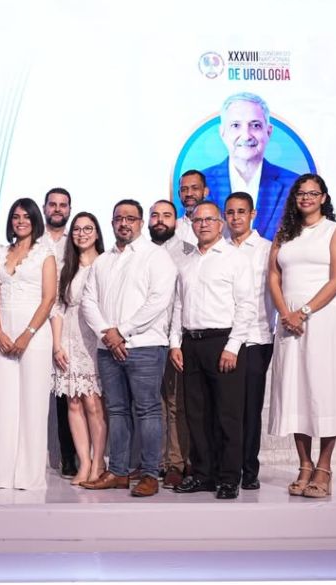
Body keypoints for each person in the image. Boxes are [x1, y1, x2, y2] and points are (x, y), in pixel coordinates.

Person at [267, 174, 336, 498]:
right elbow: (273, 276)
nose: (306, 198)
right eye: (301, 193)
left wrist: (304, 311)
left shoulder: (335, 231)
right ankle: (304, 465)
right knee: (294, 391)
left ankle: (324, 467)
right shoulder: (285, 233)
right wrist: (286, 313)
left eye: (313, 193)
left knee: (324, 391)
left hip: (322, 319)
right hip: (289, 321)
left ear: (323, 197)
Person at [80, 199, 176, 497]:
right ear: (112, 223)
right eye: (119, 218)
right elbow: (88, 301)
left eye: (130, 218)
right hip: (108, 348)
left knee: (148, 410)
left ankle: (149, 474)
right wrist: (107, 334)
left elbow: (158, 300)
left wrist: (121, 332)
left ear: (141, 222)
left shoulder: (156, 256)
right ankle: (119, 472)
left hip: (145, 346)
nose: (124, 223)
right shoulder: (103, 261)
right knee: (117, 410)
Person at [169, 201, 256, 500]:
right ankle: (203, 474)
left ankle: (229, 478)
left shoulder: (235, 258)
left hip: (223, 342)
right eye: (198, 220)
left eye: (209, 220)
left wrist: (233, 346)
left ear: (220, 224)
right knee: (196, 414)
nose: (203, 224)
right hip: (190, 343)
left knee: (228, 415)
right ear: (191, 225)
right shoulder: (187, 262)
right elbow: (178, 305)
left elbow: (246, 306)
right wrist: (175, 343)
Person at [0, 198, 56, 490]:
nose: (21, 221)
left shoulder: (45, 254)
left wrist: (27, 334)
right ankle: (4, 473)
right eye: (16, 216)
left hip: (35, 334)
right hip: (2, 333)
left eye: (26, 216)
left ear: (35, 220)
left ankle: (29, 475)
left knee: (33, 403)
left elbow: (49, 298)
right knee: (4, 404)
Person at [224, 191, 276, 491]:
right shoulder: (220, 248)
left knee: (250, 408)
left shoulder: (268, 249)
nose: (235, 218)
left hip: (256, 338)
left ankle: (249, 469)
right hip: (225, 339)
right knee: (226, 408)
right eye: (230, 212)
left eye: (241, 212)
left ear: (252, 214)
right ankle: (226, 467)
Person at [51, 212, 106, 486]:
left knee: (93, 404)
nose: (82, 234)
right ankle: (83, 463)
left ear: (97, 233)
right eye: (77, 229)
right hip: (69, 339)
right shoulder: (66, 267)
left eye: (88, 229)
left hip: (94, 339)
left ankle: (99, 462)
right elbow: (58, 308)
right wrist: (57, 344)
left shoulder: (106, 264)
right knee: (73, 403)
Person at [202, 92, 300, 241]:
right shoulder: (200, 183)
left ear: (268, 132)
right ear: (222, 133)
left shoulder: (293, 185)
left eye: (255, 125)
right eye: (235, 125)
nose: (246, 135)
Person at [148, 200, 196, 488]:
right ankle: (152, 463)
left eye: (166, 215)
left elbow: (185, 298)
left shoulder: (188, 252)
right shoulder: (141, 251)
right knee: (150, 404)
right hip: (145, 338)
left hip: (176, 337)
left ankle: (176, 463)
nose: (160, 220)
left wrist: (176, 339)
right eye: (155, 215)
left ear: (175, 221)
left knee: (176, 404)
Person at [37, 187, 78, 479]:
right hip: (36, 326)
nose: (57, 209)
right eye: (53, 204)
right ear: (44, 208)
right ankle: (31, 458)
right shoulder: (31, 241)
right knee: (35, 394)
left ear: (69, 210)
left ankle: (68, 458)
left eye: (63, 205)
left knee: (67, 398)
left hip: (68, 326)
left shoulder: (75, 243)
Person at [174, 171, 208, 246]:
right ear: (179, 194)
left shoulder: (220, 227)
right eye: (184, 189)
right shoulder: (173, 227)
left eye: (195, 188)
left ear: (205, 191)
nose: (189, 194)